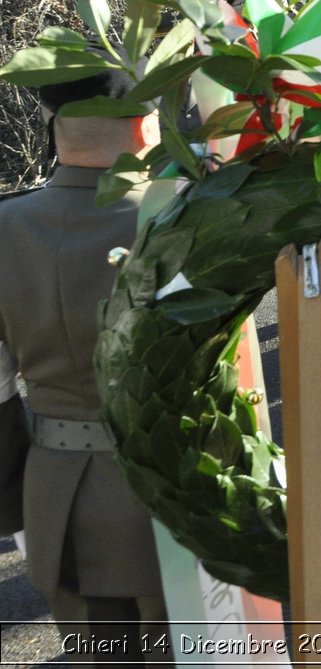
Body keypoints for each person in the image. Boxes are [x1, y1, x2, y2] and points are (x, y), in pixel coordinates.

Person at [0, 71, 172, 662]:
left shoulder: (5, 228)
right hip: (181, 494)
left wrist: (19, 504)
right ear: (144, 126)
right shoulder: (180, 219)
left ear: (53, 129)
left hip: (60, 500)